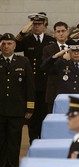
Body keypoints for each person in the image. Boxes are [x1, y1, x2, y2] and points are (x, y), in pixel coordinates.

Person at [15, 13, 56, 144]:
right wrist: (22, 32)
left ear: (44, 26)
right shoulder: (27, 40)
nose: (36, 27)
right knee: (32, 115)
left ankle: (43, 141)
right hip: (31, 83)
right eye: (34, 24)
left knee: (44, 113)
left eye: (39, 24)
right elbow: (14, 45)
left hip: (45, 83)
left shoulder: (50, 40)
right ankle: (33, 140)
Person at [0, 33, 35, 167]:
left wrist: (30, 107)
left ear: (14, 45)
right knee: (1, 142)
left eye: (9, 43)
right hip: (0, 110)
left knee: (14, 143)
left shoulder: (23, 61)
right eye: (3, 44)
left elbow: (30, 86)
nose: (6, 46)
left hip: (16, 110)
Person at [42, 21, 69, 113]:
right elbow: (46, 68)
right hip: (54, 89)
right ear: (54, 34)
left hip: (70, 88)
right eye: (58, 31)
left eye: (63, 31)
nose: (61, 33)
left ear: (67, 32)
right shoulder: (48, 49)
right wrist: (61, 58)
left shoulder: (73, 47)